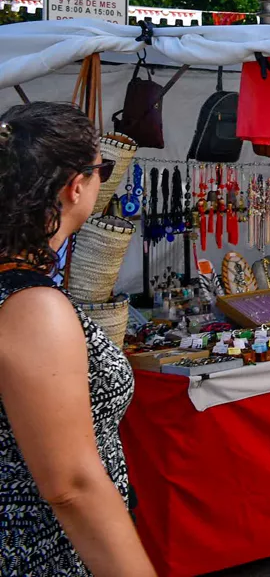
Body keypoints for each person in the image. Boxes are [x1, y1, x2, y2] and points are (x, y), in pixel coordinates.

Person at [0, 102, 156, 577]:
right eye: (100, 169)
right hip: (42, 550)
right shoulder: (32, 306)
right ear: (75, 185)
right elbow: (71, 486)